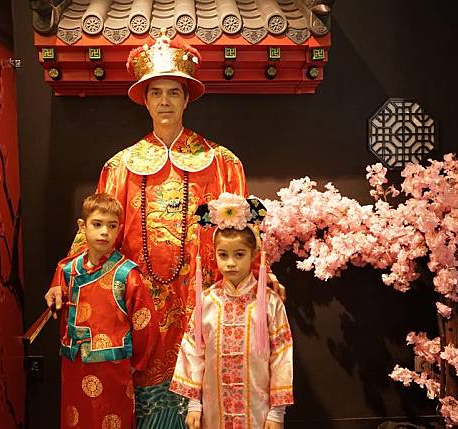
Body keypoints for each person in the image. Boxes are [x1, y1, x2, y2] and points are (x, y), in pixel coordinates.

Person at [46, 32, 285, 427]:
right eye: (156, 93)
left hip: (205, 296)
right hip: (138, 302)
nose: (165, 102)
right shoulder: (121, 166)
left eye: (173, 92)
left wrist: (263, 276)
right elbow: (93, 235)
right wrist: (61, 278)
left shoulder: (221, 162)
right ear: (145, 100)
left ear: (187, 98)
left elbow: (246, 236)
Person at [170, 193, 294, 429]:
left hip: (258, 410)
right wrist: (194, 404)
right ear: (214, 254)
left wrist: (277, 412)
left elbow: (281, 356)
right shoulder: (207, 301)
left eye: (239, 254)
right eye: (223, 255)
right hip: (214, 407)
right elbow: (193, 352)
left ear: (254, 255)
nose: (230, 263)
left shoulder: (269, 302)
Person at [45, 193, 157, 429]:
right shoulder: (68, 269)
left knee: (112, 420)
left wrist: (134, 365)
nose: (104, 232)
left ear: (120, 229)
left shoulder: (127, 275)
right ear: (82, 226)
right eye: (97, 224)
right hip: (74, 363)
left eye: (112, 226)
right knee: (75, 420)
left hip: (113, 368)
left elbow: (144, 324)